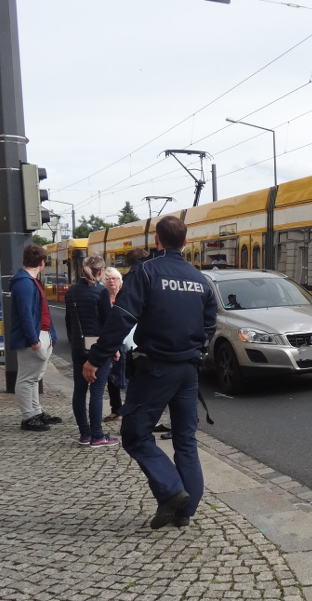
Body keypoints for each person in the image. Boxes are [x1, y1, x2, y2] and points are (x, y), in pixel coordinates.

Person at [83, 215, 217, 530]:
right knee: (185, 439)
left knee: (134, 433)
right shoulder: (200, 279)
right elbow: (209, 324)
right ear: (186, 242)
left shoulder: (146, 272)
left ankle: (172, 492)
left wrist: (97, 357)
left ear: (156, 241)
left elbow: (122, 318)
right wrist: (198, 348)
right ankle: (184, 511)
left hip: (157, 367)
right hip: (188, 369)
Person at [66, 255, 117, 447]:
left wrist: (74, 343)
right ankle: (98, 435)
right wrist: (112, 348)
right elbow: (108, 323)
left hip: (78, 346)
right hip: (97, 347)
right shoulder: (100, 292)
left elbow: (68, 322)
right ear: (101, 272)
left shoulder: (71, 292)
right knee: (96, 391)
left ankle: (85, 434)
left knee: (79, 390)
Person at [9, 244, 61, 432]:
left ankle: (35, 412)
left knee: (34, 377)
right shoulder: (24, 282)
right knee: (26, 378)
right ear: (42, 262)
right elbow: (25, 315)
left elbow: (37, 312)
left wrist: (50, 336)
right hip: (34, 337)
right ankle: (28, 416)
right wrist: (34, 340)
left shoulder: (28, 281)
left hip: (41, 334)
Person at [103, 267, 125, 422]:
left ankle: (133, 409)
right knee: (111, 376)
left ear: (120, 281)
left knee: (132, 375)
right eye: (108, 278)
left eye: (114, 278)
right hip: (110, 342)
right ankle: (116, 409)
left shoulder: (126, 297)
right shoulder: (102, 299)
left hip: (128, 342)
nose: (111, 281)